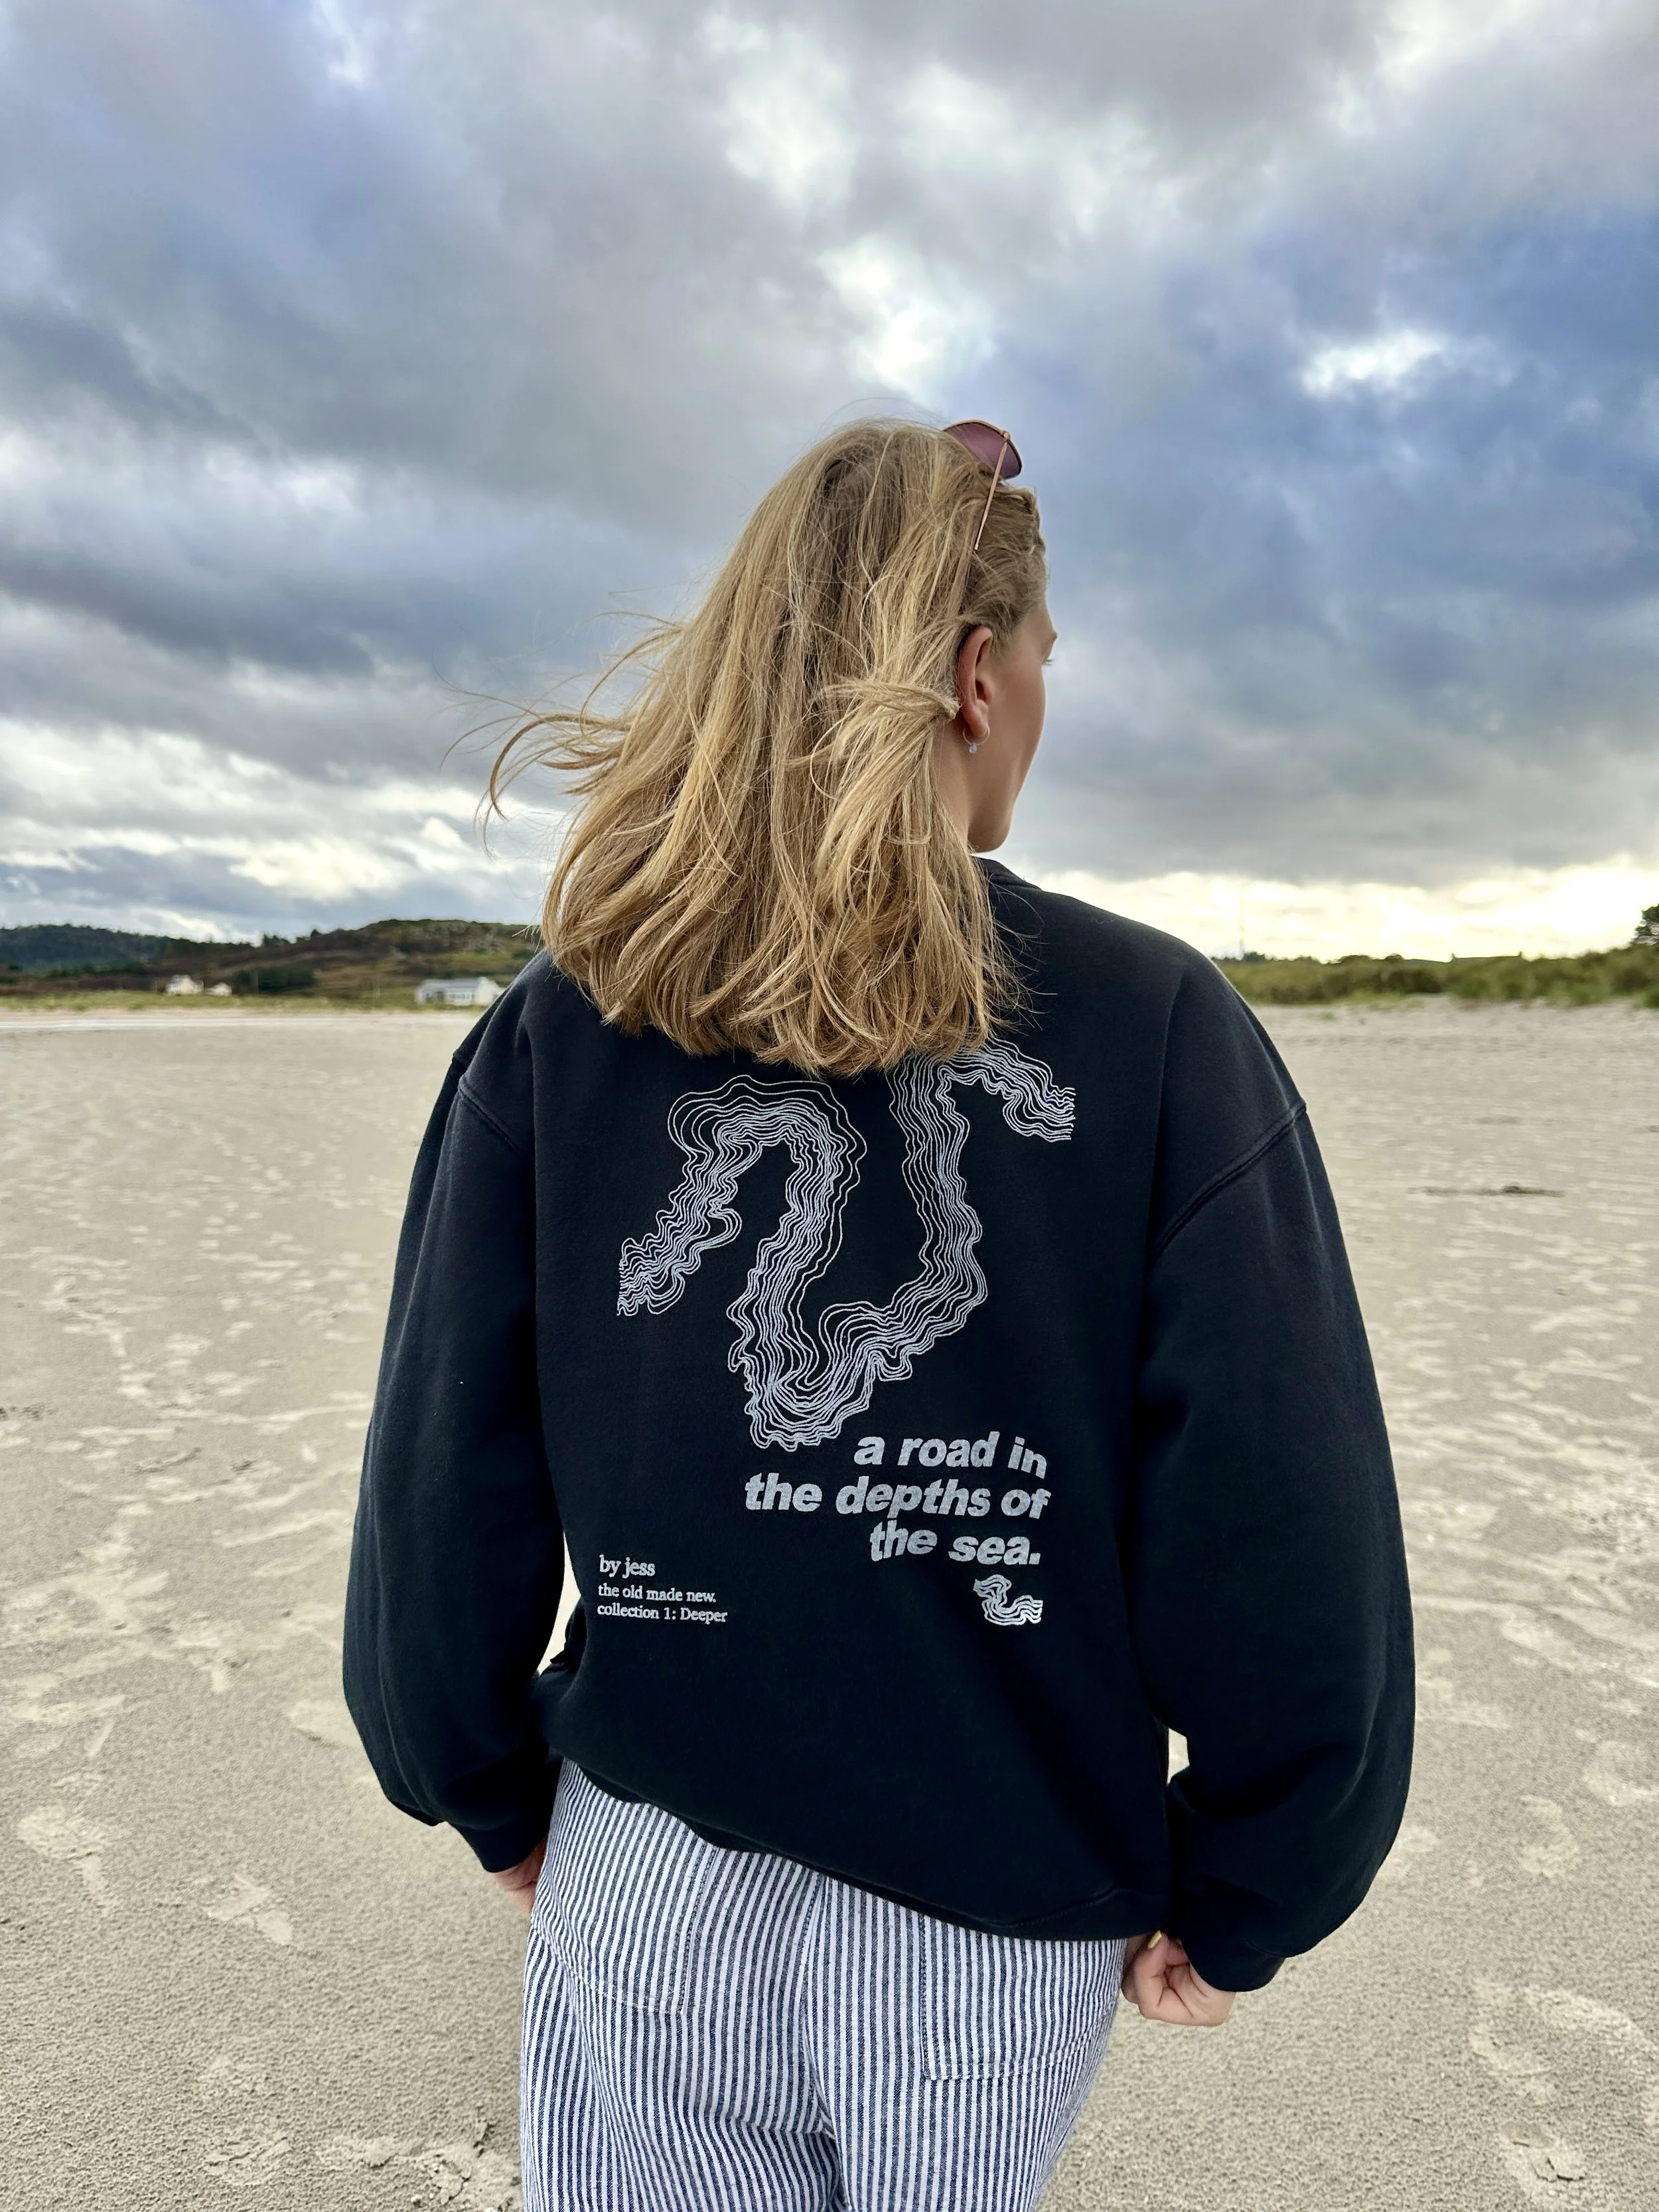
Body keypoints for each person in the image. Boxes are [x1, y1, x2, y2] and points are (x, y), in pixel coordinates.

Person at [344, 418, 1413, 2212]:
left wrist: (479, 1775)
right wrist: (1254, 1883)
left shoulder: (562, 1021)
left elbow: (444, 1468)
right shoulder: (1159, 1029)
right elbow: (1272, 1510)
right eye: (1045, 666)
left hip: (650, 1859)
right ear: (978, 679)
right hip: (987, 1904)